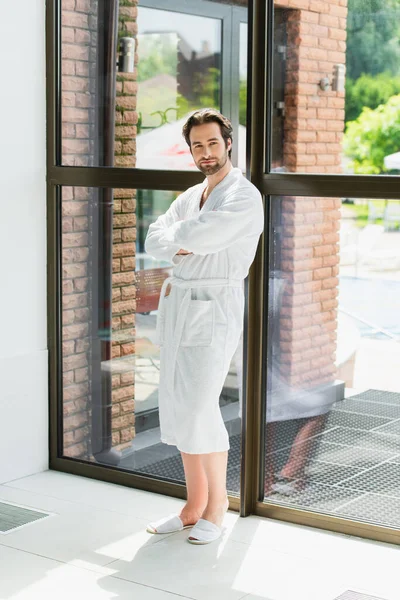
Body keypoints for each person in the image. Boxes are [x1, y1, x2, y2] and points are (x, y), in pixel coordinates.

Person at [144, 109, 263, 544]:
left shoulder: (243, 196)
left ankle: (218, 504)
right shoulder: (192, 195)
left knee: (199, 405)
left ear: (228, 143)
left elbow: (207, 237)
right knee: (177, 404)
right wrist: (183, 239)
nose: (206, 153)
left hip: (213, 306)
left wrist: (184, 237)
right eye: (198, 146)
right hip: (180, 305)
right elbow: (154, 238)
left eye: (213, 143)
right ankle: (193, 505)